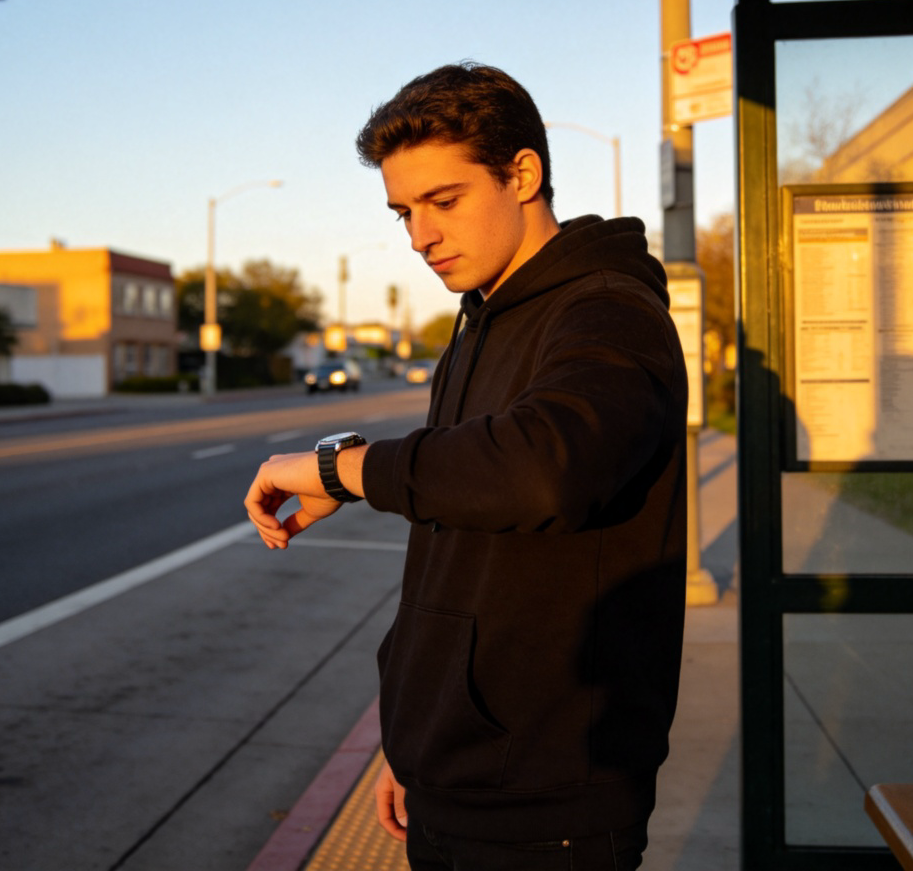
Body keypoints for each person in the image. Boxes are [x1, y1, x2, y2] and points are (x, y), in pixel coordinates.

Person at [244, 62, 688, 870]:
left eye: (443, 202)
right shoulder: (478, 322)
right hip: (456, 770)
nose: (420, 236)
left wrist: (343, 471)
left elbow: (545, 467)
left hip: (548, 800)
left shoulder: (608, 311)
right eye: (403, 212)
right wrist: (414, 735)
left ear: (522, 174)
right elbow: (461, 519)